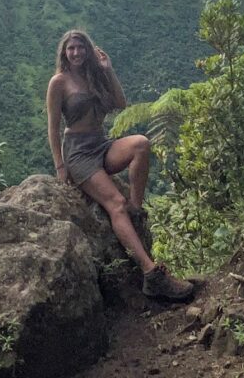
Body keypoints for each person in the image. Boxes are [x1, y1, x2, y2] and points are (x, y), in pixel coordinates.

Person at [46, 29, 194, 302]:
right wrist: (60, 167)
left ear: (88, 50)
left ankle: (136, 211)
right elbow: (53, 128)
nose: (76, 53)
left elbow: (121, 103)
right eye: (71, 49)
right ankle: (151, 275)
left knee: (141, 143)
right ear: (64, 53)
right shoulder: (59, 82)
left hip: (100, 144)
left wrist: (108, 70)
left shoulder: (94, 76)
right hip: (78, 153)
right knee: (114, 202)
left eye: (80, 47)